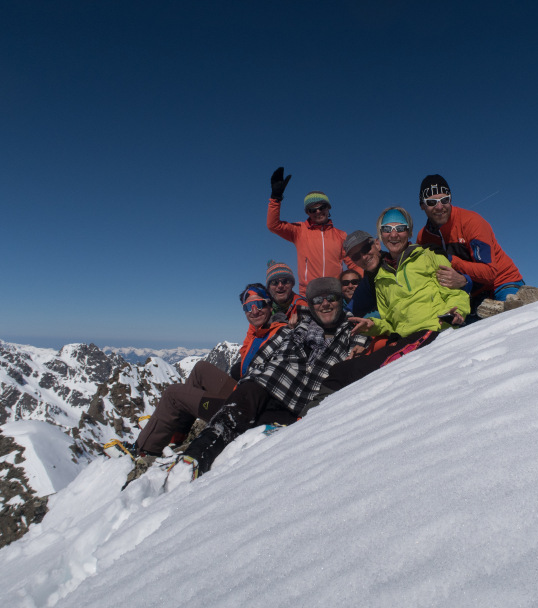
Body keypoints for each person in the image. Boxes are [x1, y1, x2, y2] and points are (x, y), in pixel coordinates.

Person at [181, 277, 369, 475]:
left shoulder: (354, 331)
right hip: (265, 384)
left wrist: (360, 348)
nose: (325, 304)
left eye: (331, 298)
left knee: (249, 439)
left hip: (296, 405)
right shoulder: (297, 326)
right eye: (317, 300)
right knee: (232, 415)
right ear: (311, 304)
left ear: (340, 300)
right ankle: (195, 456)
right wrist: (252, 378)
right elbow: (261, 358)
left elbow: (356, 358)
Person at [322, 207, 470, 391]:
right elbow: (389, 322)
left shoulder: (428, 256)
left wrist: (457, 311)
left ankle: (315, 415)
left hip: (434, 331)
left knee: (352, 374)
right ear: (381, 236)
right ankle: (308, 416)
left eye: (400, 228)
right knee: (340, 371)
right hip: (406, 339)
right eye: (387, 229)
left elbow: (455, 291)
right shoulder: (379, 278)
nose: (393, 234)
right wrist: (373, 326)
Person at [131, 284, 286, 457]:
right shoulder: (258, 332)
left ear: (269, 305)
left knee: (173, 395)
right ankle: (178, 434)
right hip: (243, 393)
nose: (254, 311)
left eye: (259, 304)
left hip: (245, 410)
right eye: (248, 307)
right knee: (200, 369)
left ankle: (144, 451)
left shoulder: (277, 333)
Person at [415, 174, 524, 320]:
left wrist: (453, 263)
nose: (439, 207)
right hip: (470, 294)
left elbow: (489, 272)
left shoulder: (471, 222)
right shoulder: (423, 238)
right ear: (422, 205)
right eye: (432, 202)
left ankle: (531, 299)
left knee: (512, 320)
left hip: (502, 282)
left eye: (444, 200)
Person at [266, 167, 357, 296]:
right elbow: (273, 225)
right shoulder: (299, 230)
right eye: (313, 210)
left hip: (335, 295)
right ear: (307, 213)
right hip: (309, 296)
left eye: (322, 207)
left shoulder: (341, 235)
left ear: (328, 207)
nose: (318, 212)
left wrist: (363, 284)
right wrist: (275, 198)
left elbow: (353, 264)